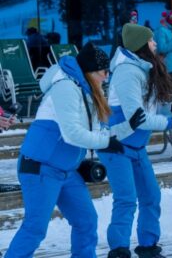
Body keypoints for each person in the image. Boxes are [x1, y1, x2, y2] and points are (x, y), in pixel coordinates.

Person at [6, 43, 145, 258]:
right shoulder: (66, 87)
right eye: (103, 72)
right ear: (90, 71)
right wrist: (106, 142)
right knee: (35, 228)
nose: (106, 77)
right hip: (40, 168)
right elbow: (73, 133)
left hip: (66, 171)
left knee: (86, 222)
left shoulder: (88, 92)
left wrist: (129, 126)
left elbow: (101, 132)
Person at [102, 24, 172, 258]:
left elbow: (150, 107)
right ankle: (119, 250)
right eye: (151, 41)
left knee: (151, 196)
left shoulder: (142, 69)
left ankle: (148, 247)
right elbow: (138, 118)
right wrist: (170, 123)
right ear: (141, 45)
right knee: (126, 200)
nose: (155, 44)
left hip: (137, 146)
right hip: (117, 145)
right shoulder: (126, 72)